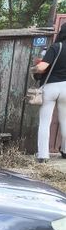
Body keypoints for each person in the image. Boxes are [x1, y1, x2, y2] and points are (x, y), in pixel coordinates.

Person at [35, 25, 66, 162]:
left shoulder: (56, 47)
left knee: (45, 122)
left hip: (50, 87)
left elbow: (42, 67)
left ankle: (43, 155)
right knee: (65, 121)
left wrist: (34, 68)